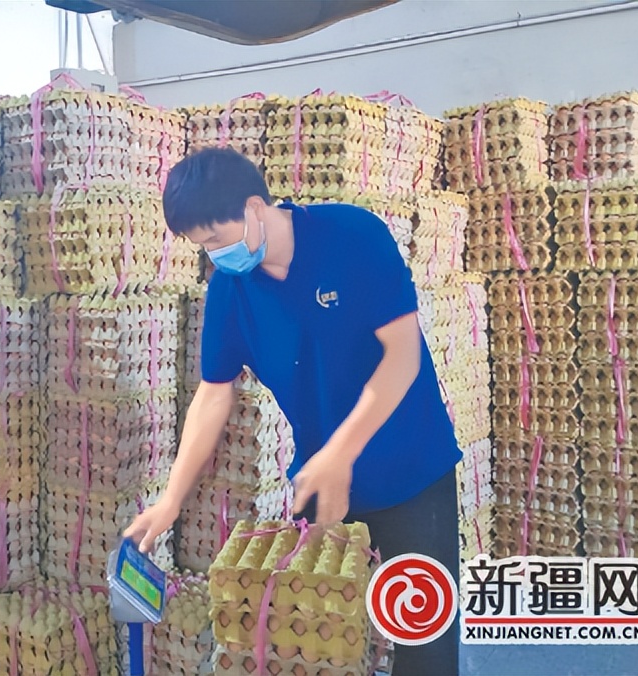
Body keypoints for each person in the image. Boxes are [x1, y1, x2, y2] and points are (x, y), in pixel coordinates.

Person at [123, 147, 462, 676]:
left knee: (423, 645)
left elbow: (403, 355)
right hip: (320, 486)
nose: (215, 256)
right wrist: (171, 498)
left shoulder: (353, 237)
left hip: (410, 475)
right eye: (202, 248)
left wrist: (341, 453)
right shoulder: (231, 290)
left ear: (255, 207)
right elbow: (214, 394)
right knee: (315, 642)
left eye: (216, 240)